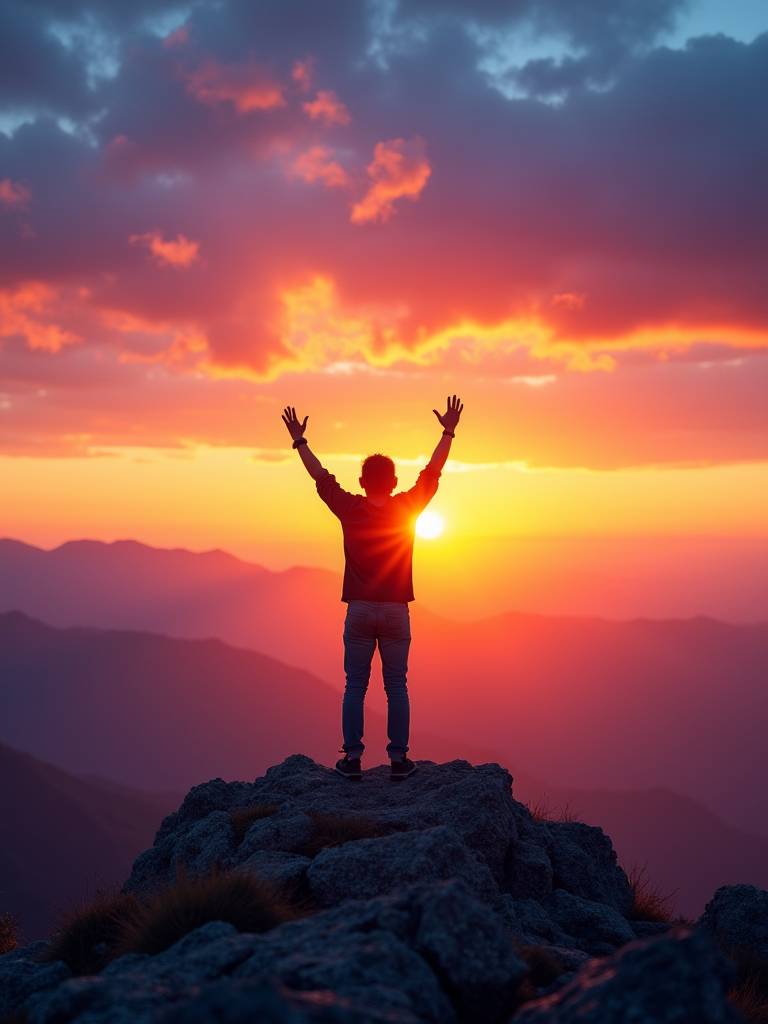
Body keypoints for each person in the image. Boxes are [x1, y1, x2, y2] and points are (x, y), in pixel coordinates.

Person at [281, 396, 464, 782]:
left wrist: (300, 442)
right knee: (397, 685)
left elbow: (321, 477)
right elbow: (432, 471)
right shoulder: (407, 507)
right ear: (394, 482)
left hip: (360, 610)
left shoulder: (350, 509)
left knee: (355, 685)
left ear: (363, 483)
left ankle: (352, 759)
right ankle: (399, 760)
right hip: (396, 609)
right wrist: (448, 431)